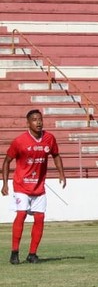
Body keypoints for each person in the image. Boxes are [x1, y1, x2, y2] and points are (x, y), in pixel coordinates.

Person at [3, 109, 67, 264]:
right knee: (22, 214)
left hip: (39, 186)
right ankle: (14, 252)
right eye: (34, 119)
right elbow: (7, 161)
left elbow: (56, 155)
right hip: (21, 185)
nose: (38, 122)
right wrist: (5, 183)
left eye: (40, 119)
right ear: (28, 123)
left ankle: (32, 254)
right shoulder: (20, 141)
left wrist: (61, 173)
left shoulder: (49, 138)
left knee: (40, 218)